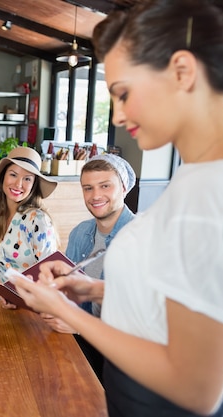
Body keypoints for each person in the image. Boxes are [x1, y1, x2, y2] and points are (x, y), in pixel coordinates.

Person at [11, 1, 223, 416]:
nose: (117, 114)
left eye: (123, 93)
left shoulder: (214, 193)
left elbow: (195, 388)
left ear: (182, 72)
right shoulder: (202, 176)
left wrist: (67, 313)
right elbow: (178, 301)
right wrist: (92, 289)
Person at [42, 153, 136, 382]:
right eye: (88, 188)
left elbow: (136, 318)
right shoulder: (79, 232)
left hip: (120, 356)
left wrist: (77, 325)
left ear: (123, 187)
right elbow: (71, 293)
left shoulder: (140, 238)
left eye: (105, 186)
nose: (95, 196)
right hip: (78, 339)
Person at [0, 146, 58, 308]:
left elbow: (51, 275)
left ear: (34, 184)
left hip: (39, 305)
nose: (18, 184)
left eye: (27, 178)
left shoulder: (38, 221)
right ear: (3, 177)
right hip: (8, 303)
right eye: (13, 175)